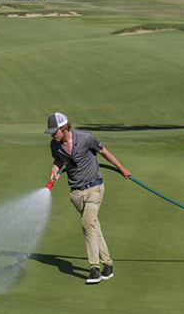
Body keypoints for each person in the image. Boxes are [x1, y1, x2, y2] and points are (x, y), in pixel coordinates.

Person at [45, 112, 131, 284]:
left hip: (95, 188)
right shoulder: (55, 145)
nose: (53, 134)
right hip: (76, 193)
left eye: (55, 131)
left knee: (87, 224)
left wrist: (121, 168)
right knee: (93, 226)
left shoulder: (86, 138)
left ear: (64, 128)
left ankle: (94, 269)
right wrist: (55, 170)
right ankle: (108, 265)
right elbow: (58, 160)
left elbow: (105, 152)